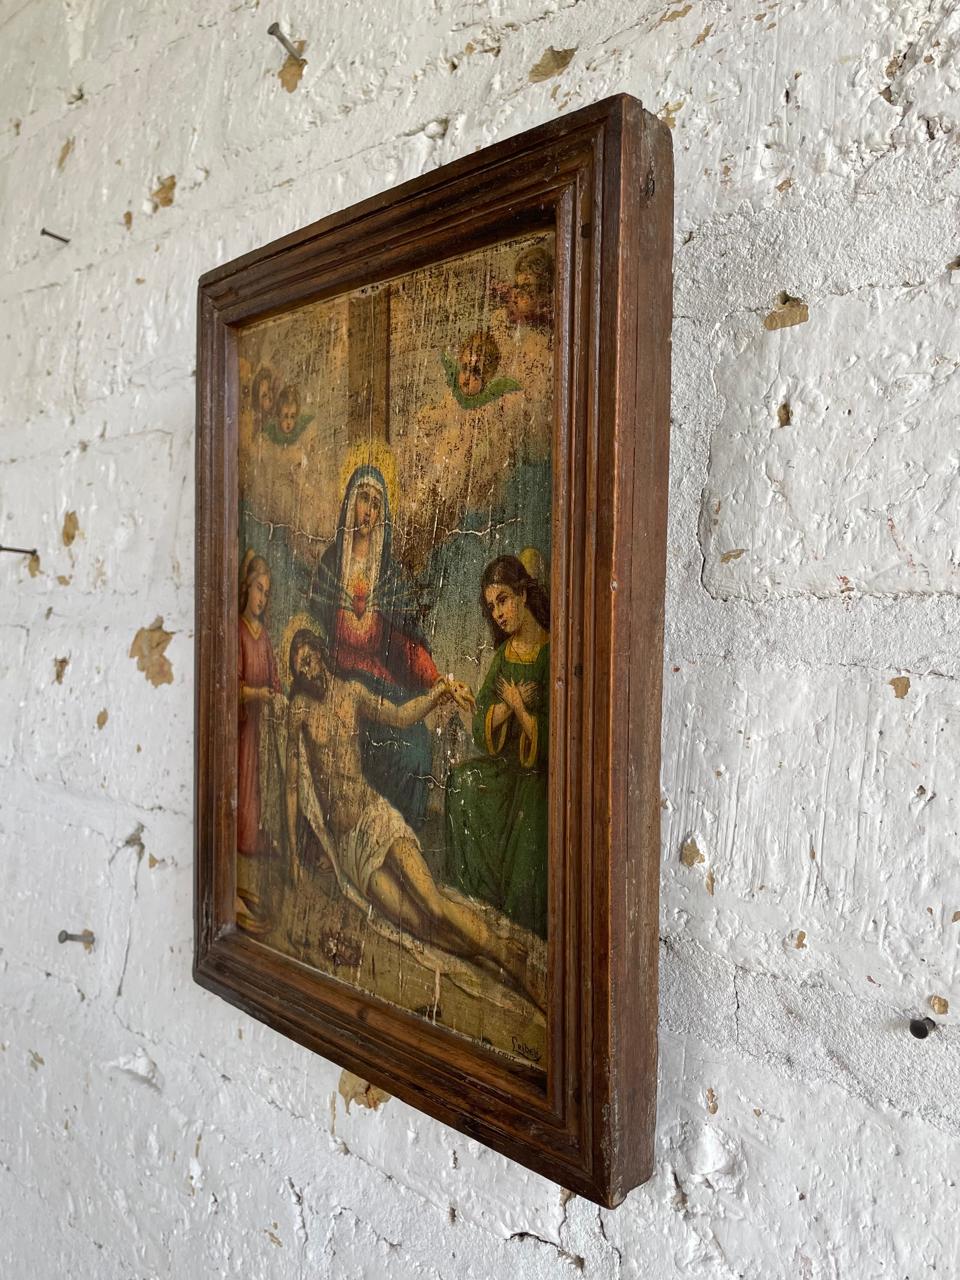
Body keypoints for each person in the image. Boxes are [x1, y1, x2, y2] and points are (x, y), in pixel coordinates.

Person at [284, 630, 539, 1007]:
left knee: (433, 905)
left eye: (308, 660)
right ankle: (492, 951)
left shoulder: (352, 693)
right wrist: (293, 853)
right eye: (299, 668)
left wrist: (437, 694)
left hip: (375, 817)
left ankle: (505, 956)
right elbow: (293, 785)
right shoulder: (300, 710)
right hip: (350, 845)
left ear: (321, 654)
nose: (306, 671)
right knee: (418, 926)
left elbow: (400, 716)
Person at [307, 463, 469, 828]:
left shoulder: (389, 574)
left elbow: (406, 645)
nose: (369, 510)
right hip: (338, 684)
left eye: (376, 503)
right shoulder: (331, 566)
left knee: (416, 748)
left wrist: (436, 680)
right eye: (363, 499)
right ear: (350, 503)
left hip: (380, 683)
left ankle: (403, 837)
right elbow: (312, 633)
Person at [444, 553, 550, 938]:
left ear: (523, 594)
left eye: (503, 600)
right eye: (492, 607)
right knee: (460, 783)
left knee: (530, 838)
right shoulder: (505, 655)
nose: (499, 613)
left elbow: (554, 733)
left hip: (537, 776)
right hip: (506, 770)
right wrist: (507, 708)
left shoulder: (551, 652)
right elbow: (481, 723)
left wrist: (520, 709)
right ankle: (472, 906)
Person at [237, 550, 282, 931]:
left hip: (263, 725)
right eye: (258, 589)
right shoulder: (238, 631)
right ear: (246, 588)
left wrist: (277, 695)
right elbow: (234, 685)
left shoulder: (264, 637)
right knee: (245, 782)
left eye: (267, 593)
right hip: (243, 725)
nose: (262, 598)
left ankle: (256, 836)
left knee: (263, 785)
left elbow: (275, 680)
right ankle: (246, 841)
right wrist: (257, 694)